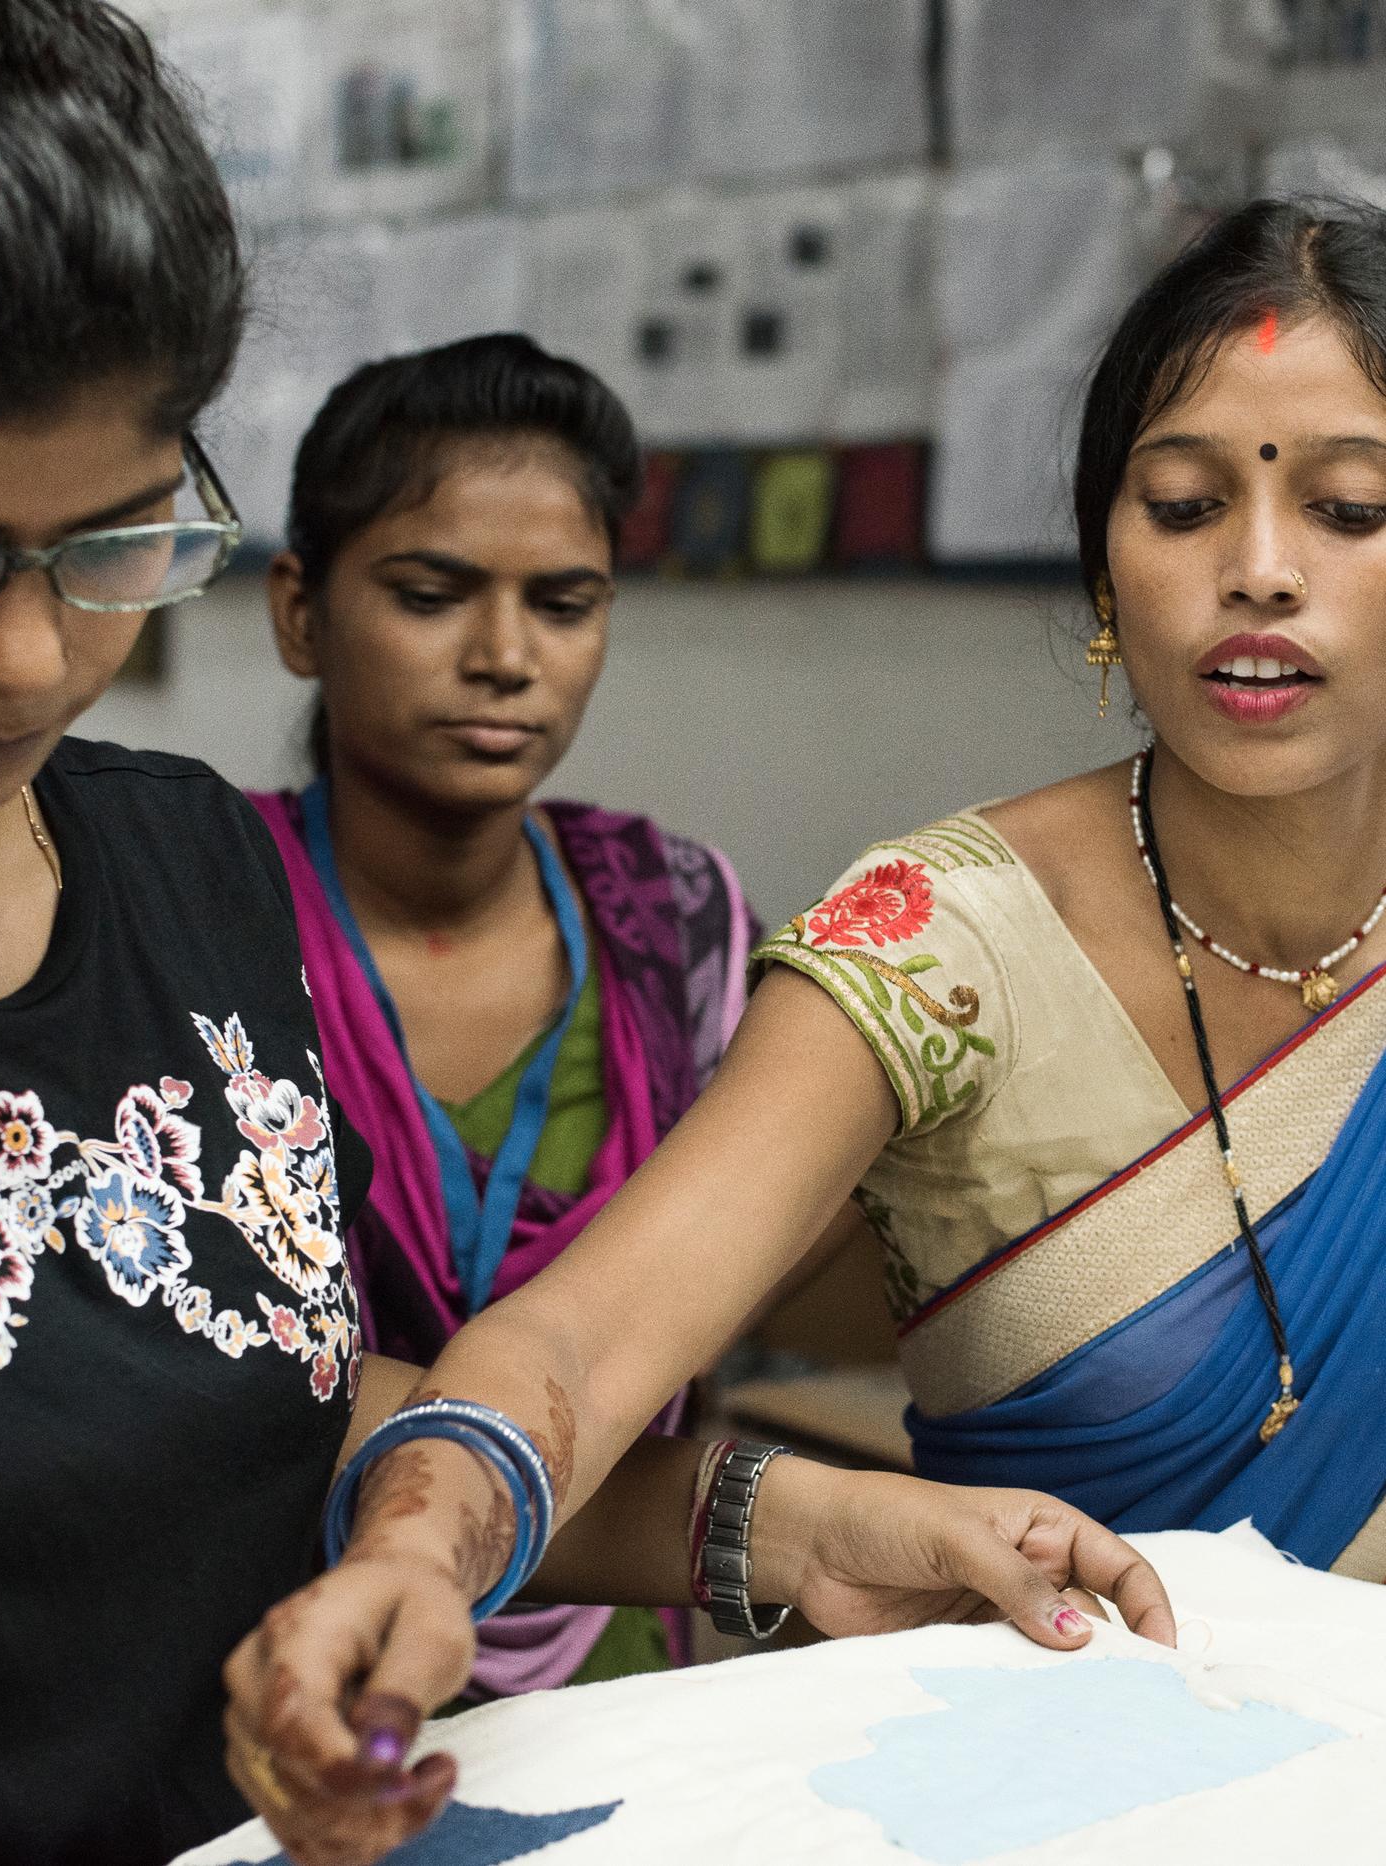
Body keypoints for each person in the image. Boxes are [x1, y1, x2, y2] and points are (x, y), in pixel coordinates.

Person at [0, 8, 1173, 1866]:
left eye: (113, 545)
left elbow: (231, 1387)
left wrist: (780, 1522)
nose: (31, 656)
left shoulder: (186, 869)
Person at [225, 194, 1386, 1850]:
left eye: (1349, 507)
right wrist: (420, 1548)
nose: (1261, 570)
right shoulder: (933, 940)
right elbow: (581, 1337)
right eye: (1187, 504)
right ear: (1105, 563)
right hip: (1061, 1805)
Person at [250, 332, 872, 1698]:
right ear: (299, 610)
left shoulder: (676, 920)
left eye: (567, 601)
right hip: (282, 1647)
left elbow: (787, 1250)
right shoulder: (201, 915)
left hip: (618, 1656)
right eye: (432, 594)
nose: (505, 657)